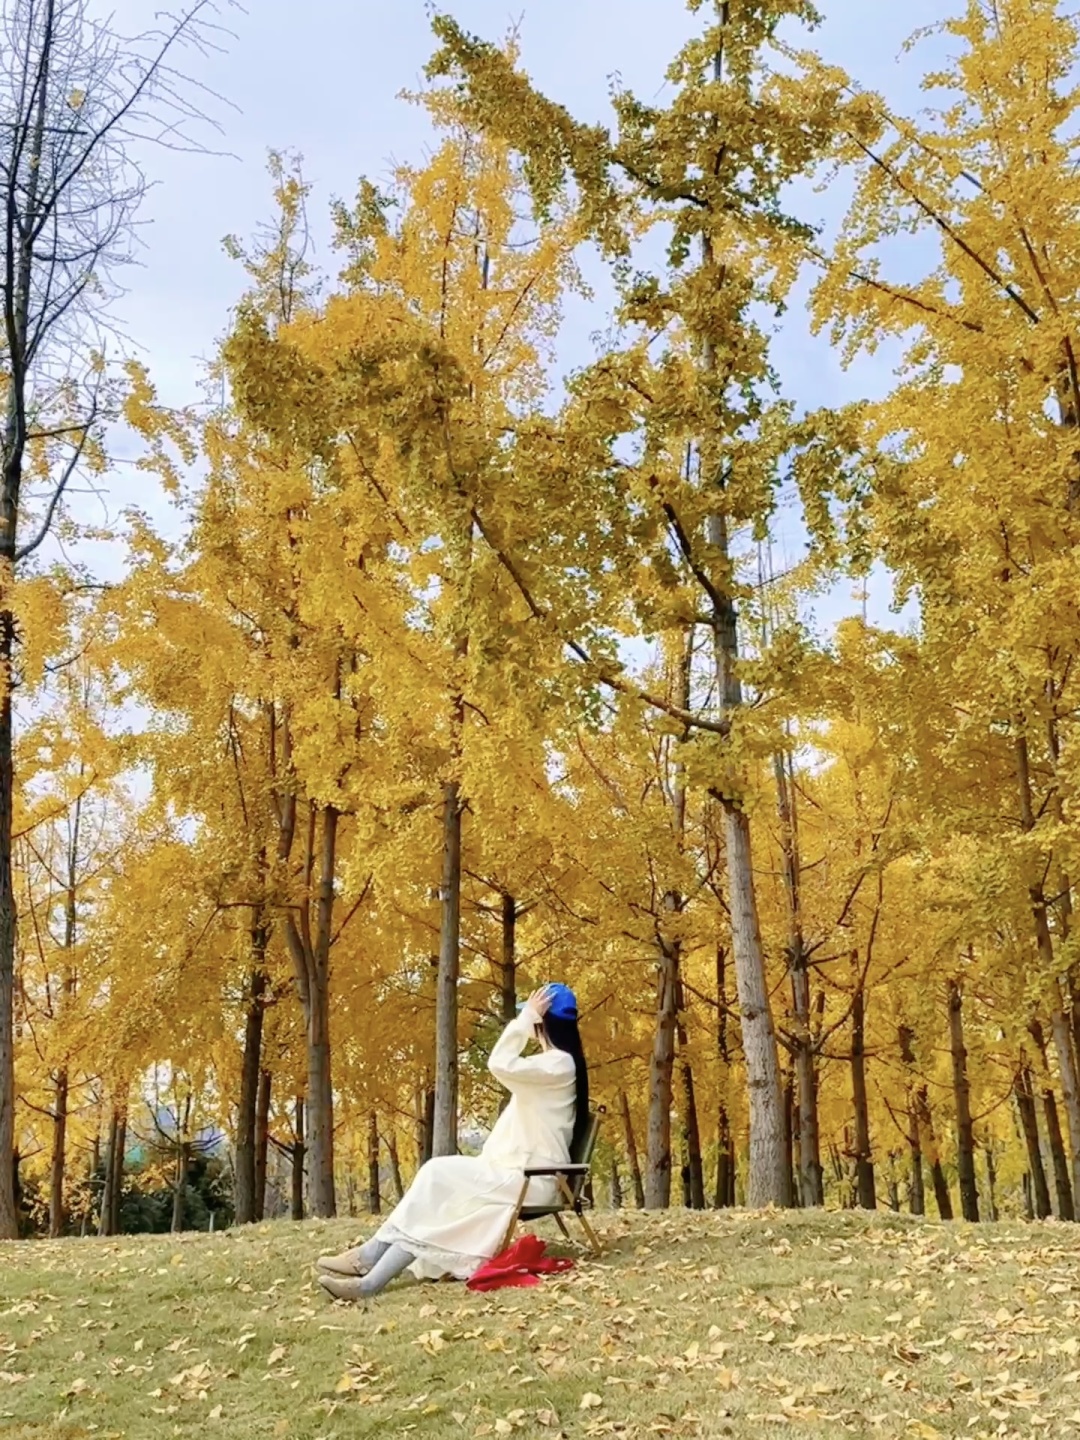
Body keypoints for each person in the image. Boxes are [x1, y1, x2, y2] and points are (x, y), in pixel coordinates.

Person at [316, 982, 588, 1302]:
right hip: (520, 1174)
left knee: (435, 1173)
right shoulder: (553, 1064)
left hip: (531, 1179)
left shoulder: (557, 1064)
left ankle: (368, 1264)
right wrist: (529, 1018)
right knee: (436, 1204)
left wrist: (525, 1018)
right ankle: (369, 1271)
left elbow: (499, 1063)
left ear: (542, 1023)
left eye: (532, 1019)